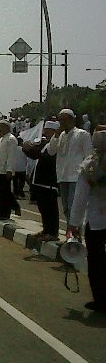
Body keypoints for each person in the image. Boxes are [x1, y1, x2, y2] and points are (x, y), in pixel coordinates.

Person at [67, 129, 106, 312]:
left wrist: (73, 223)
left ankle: (100, 299)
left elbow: (80, 197)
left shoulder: (90, 166)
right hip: (97, 220)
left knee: (96, 261)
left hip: (97, 221)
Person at [47, 108, 92, 225]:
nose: (62, 123)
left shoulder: (82, 134)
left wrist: (86, 176)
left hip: (76, 177)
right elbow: (51, 151)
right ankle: (70, 235)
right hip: (62, 176)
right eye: (60, 120)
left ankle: (75, 237)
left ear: (72, 120)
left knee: (74, 209)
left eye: (65, 120)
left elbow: (89, 156)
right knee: (66, 209)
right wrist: (55, 136)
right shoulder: (60, 136)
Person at [23, 120, 60, 241]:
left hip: (49, 182)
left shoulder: (56, 144)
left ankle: (52, 232)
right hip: (39, 181)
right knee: (43, 208)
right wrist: (26, 148)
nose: (45, 132)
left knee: (51, 209)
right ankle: (46, 230)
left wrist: (33, 150)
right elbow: (35, 155)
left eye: (48, 130)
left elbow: (45, 157)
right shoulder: (44, 144)